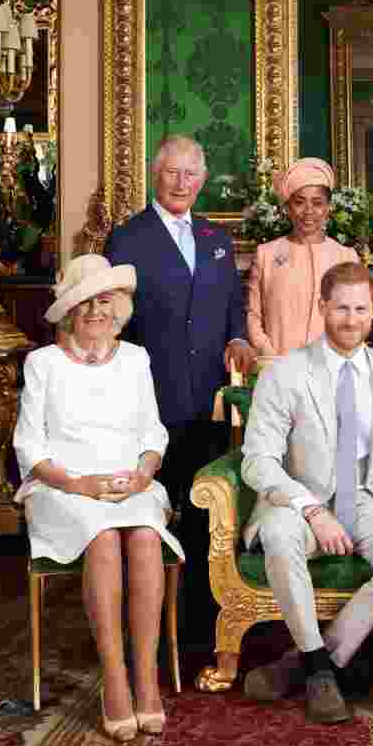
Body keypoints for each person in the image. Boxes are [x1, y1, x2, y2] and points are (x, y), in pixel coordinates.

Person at [13, 255, 183, 741]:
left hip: (130, 483)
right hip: (61, 487)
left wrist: (143, 473)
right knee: (104, 536)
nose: (95, 312)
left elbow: (153, 432)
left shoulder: (136, 359)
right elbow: (30, 446)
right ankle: (114, 681)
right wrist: (78, 485)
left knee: (146, 535)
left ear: (120, 308)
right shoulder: (43, 363)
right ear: (68, 311)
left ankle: (146, 680)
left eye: (104, 302)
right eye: (84, 303)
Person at [239, 261, 373, 724]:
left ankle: (314, 662)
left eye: (361, 309)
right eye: (341, 308)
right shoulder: (285, 373)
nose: (351, 319)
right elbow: (258, 461)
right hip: (299, 499)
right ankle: (321, 670)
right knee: (279, 534)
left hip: (364, 496)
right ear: (322, 307)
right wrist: (312, 509)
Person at [103, 135, 254, 646]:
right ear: (154, 173)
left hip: (208, 396)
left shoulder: (216, 236)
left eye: (191, 174)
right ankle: (148, 624)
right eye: (172, 172)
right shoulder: (128, 237)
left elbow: (233, 302)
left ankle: (200, 623)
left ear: (202, 180)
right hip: (152, 397)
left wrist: (237, 336)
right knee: (154, 511)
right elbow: (112, 319)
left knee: (205, 511)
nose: (181, 183)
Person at [246, 157, 359, 356]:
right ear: (288, 207)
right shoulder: (266, 254)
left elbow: (356, 318)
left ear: (328, 208)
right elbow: (253, 316)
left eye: (317, 203)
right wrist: (270, 357)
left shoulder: (346, 257)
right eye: (299, 202)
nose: (308, 211)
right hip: (277, 367)